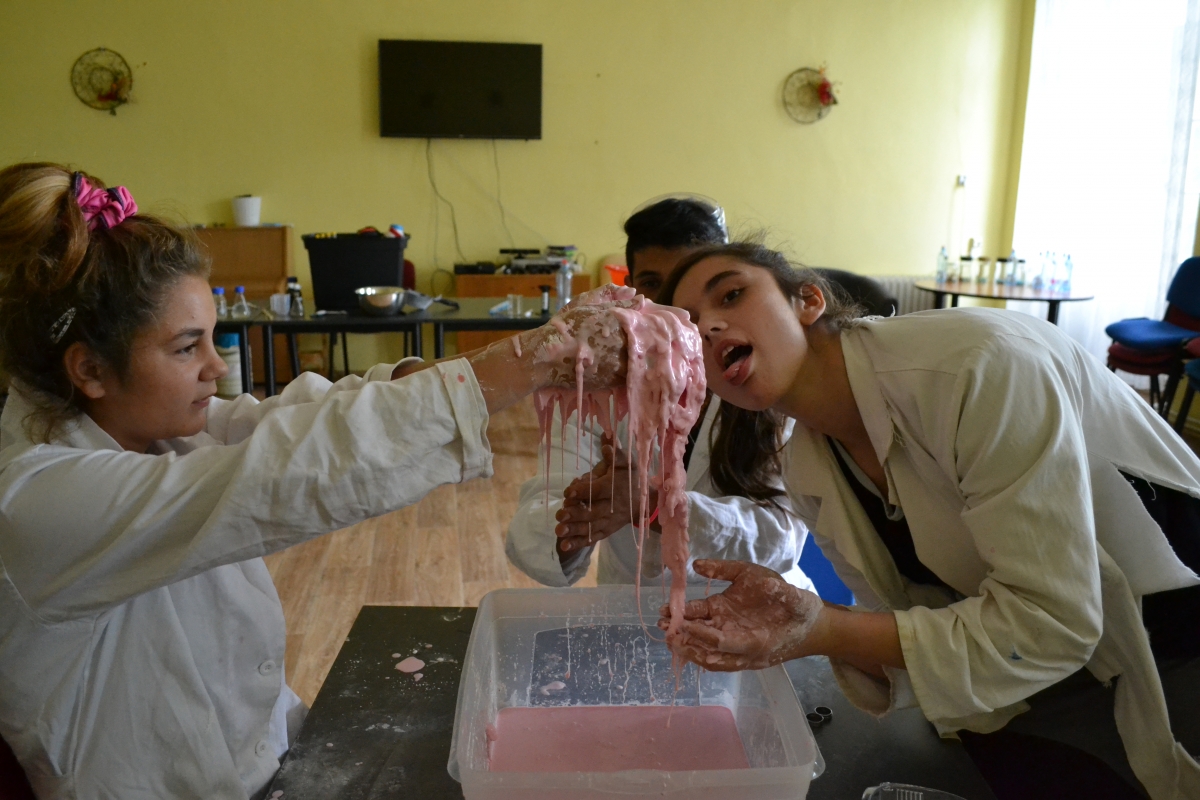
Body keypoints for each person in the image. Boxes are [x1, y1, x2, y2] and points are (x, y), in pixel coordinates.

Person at [0, 163, 631, 799]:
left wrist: (524, 354)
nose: (216, 367)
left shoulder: (154, 427)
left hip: (263, 758)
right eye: (186, 348)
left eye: (212, 339)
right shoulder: (35, 503)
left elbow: (311, 415)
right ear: (90, 370)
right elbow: (287, 470)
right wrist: (540, 359)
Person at [656, 240, 1200, 800]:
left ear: (808, 301)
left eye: (732, 294)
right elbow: (901, 620)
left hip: (1175, 615)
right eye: (690, 327)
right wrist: (799, 628)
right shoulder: (808, 466)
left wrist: (823, 629)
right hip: (1039, 668)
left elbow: (1053, 620)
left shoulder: (978, 367)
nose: (710, 327)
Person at [505, 196, 814, 591]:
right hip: (631, 611)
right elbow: (530, 537)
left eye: (694, 284)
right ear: (632, 290)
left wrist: (655, 506)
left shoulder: (765, 378)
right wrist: (581, 512)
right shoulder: (596, 389)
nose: (674, 305)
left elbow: (781, 541)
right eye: (653, 283)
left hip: (757, 608)